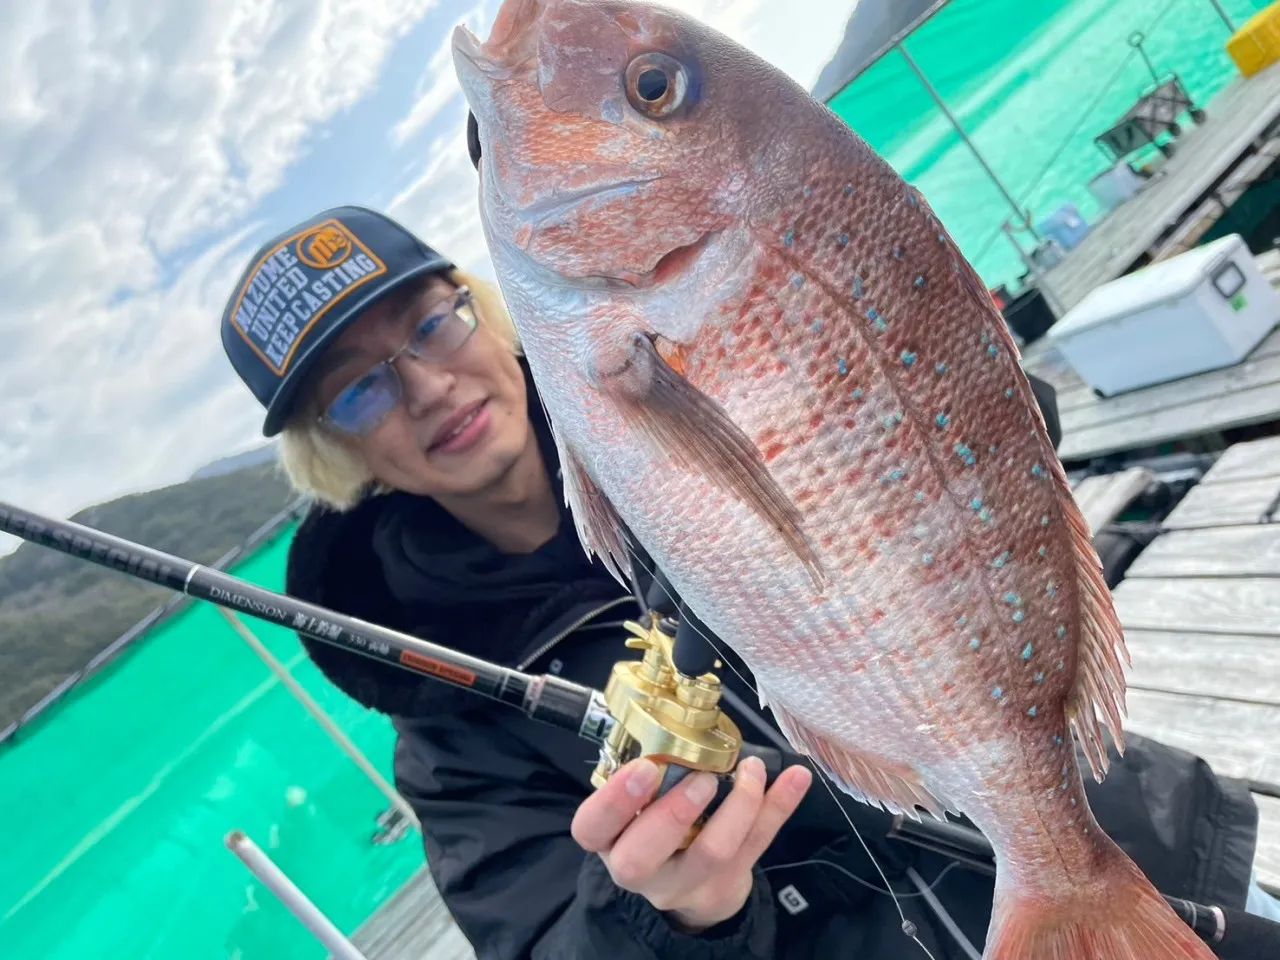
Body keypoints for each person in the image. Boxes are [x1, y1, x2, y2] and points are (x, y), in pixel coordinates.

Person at [220, 203, 1276, 959]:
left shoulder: (677, 371)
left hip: (1129, 844)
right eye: (357, 391)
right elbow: (544, 936)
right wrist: (674, 915)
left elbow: (1013, 436)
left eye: (431, 324)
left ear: (486, 309)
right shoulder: (445, 729)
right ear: (333, 454)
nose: (425, 383)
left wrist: (885, 356)